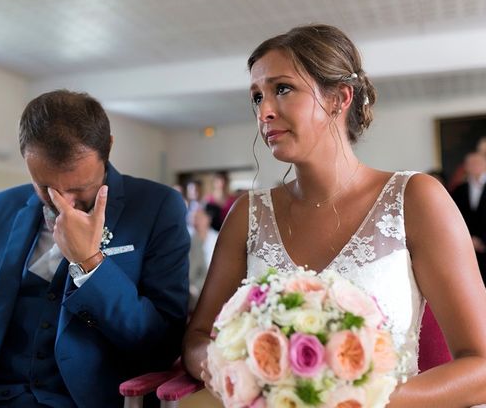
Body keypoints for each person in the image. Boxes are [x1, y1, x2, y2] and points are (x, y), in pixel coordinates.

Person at [183, 24, 486, 406]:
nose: (265, 111)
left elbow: (481, 365)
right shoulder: (248, 213)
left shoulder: (417, 199)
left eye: (282, 89)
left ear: (339, 98)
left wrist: (354, 400)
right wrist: (238, 371)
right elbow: (198, 339)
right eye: (257, 97)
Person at [0, 89, 190, 407]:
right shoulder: (0, 208)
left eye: (79, 188)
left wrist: (91, 263)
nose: (65, 203)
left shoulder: (156, 207)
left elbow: (161, 344)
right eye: (47, 188)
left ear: (108, 149)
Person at [451, 152, 486, 283]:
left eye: (478, 163)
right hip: (467, 246)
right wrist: (469, 239)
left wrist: (482, 240)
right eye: (471, 164)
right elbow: (455, 217)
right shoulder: (459, 189)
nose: (475, 166)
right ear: (466, 167)